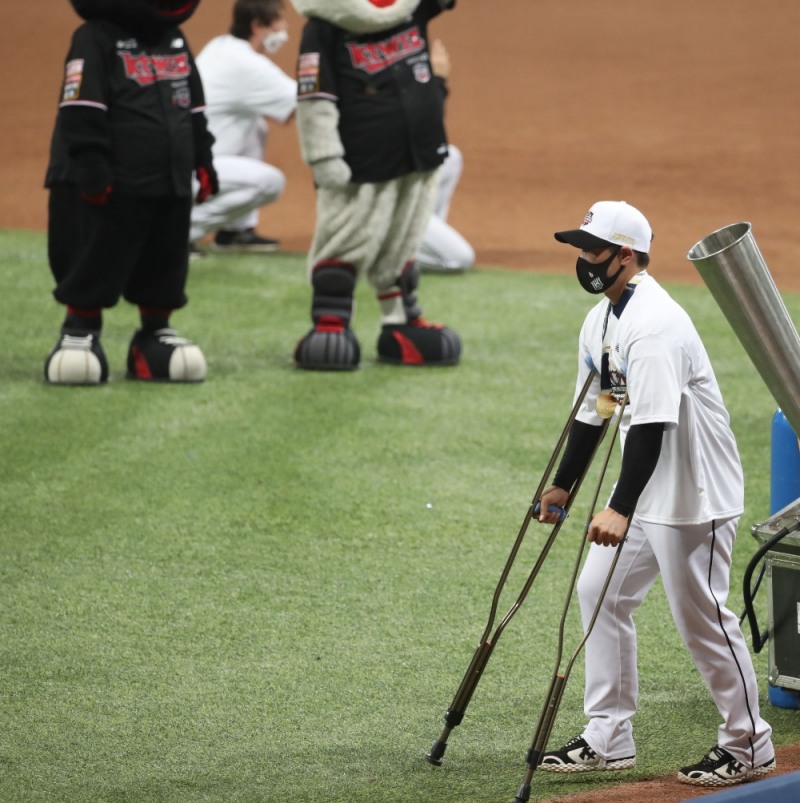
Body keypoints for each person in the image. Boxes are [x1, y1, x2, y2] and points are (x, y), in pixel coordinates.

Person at [535, 200, 776, 788]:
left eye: (593, 250)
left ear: (627, 256)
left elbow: (652, 426)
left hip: (695, 491)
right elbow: (600, 409)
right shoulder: (603, 321)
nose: (584, 260)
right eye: (580, 249)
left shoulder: (656, 325)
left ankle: (749, 745)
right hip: (645, 488)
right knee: (600, 591)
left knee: (701, 618)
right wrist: (563, 485)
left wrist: (618, 506)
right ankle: (609, 735)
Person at [44, 0, 216, 385]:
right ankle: (80, 329)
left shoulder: (174, 39)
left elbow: (194, 107)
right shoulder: (95, 38)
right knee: (95, 250)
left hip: (167, 181)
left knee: (164, 255)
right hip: (109, 184)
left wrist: (202, 158)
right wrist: (90, 163)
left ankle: (153, 335)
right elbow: (80, 105)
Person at [290, 0, 461, 370]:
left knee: (403, 239)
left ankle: (400, 322)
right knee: (345, 237)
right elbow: (314, 97)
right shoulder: (324, 27)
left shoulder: (409, 9)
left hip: (416, 156)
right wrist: (323, 157)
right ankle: (330, 321)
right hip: (358, 163)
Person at [190, 0, 297, 255]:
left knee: (256, 125)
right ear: (258, 26)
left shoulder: (221, 46)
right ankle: (179, 231)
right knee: (270, 183)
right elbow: (303, 104)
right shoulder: (246, 64)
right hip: (193, 172)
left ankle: (235, 231)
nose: (284, 29)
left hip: (193, 162)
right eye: (278, 21)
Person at [416, 39, 474, 274]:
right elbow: (425, 127)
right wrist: (437, 82)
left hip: (402, 186)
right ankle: (386, 250)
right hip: (385, 201)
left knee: (449, 157)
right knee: (461, 258)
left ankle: (424, 237)